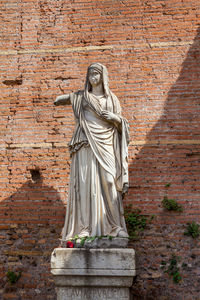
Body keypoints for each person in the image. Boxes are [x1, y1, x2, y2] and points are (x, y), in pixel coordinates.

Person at [54, 63, 129, 240]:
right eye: (90, 74)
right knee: (85, 185)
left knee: (110, 183)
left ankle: (115, 226)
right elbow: (65, 98)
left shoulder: (112, 100)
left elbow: (123, 126)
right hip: (85, 143)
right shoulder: (82, 97)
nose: (93, 77)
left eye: (96, 74)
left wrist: (115, 119)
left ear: (103, 77)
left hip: (106, 144)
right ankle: (84, 228)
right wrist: (60, 98)